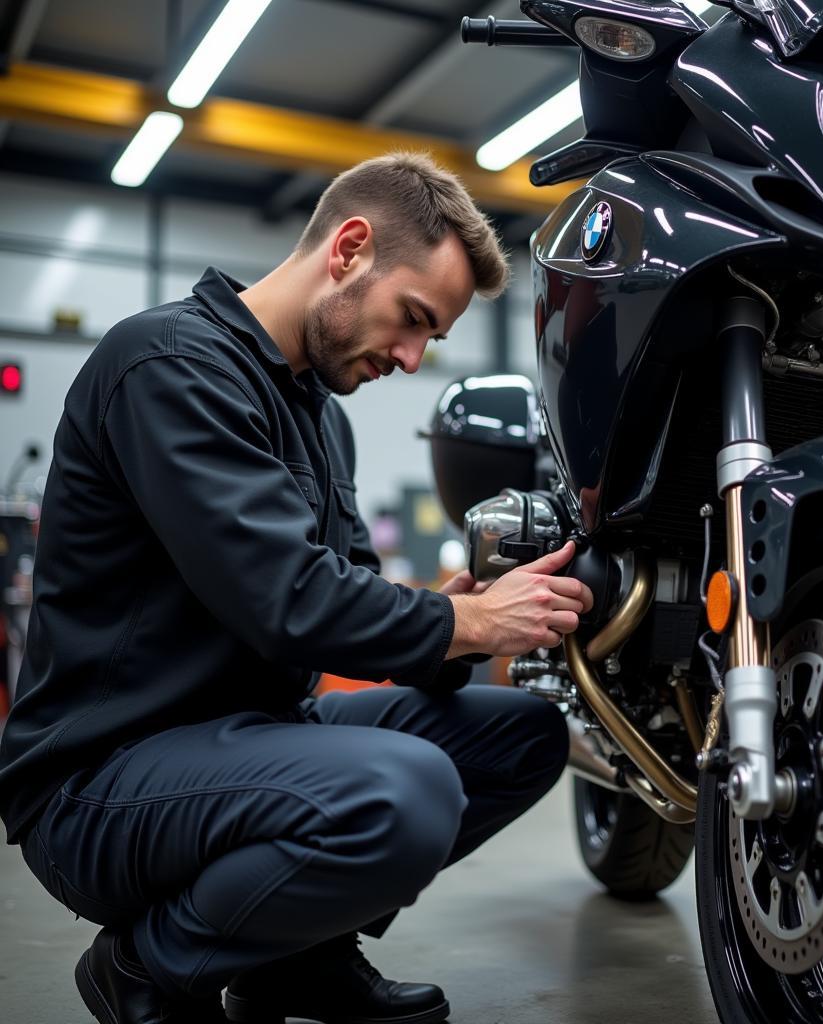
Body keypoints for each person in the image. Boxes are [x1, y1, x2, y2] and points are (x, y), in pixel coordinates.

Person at [0, 152, 594, 1024]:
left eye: (429, 338)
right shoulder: (169, 365)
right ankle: (147, 968)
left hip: (246, 737)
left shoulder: (319, 417)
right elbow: (287, 603)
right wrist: (461, 622)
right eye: (413, 319)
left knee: (526, 738)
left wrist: (455, 605)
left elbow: (341, 597)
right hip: (104, 776)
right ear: (349, 249)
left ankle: (293, 956)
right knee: (406, 792)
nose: (410, 356)